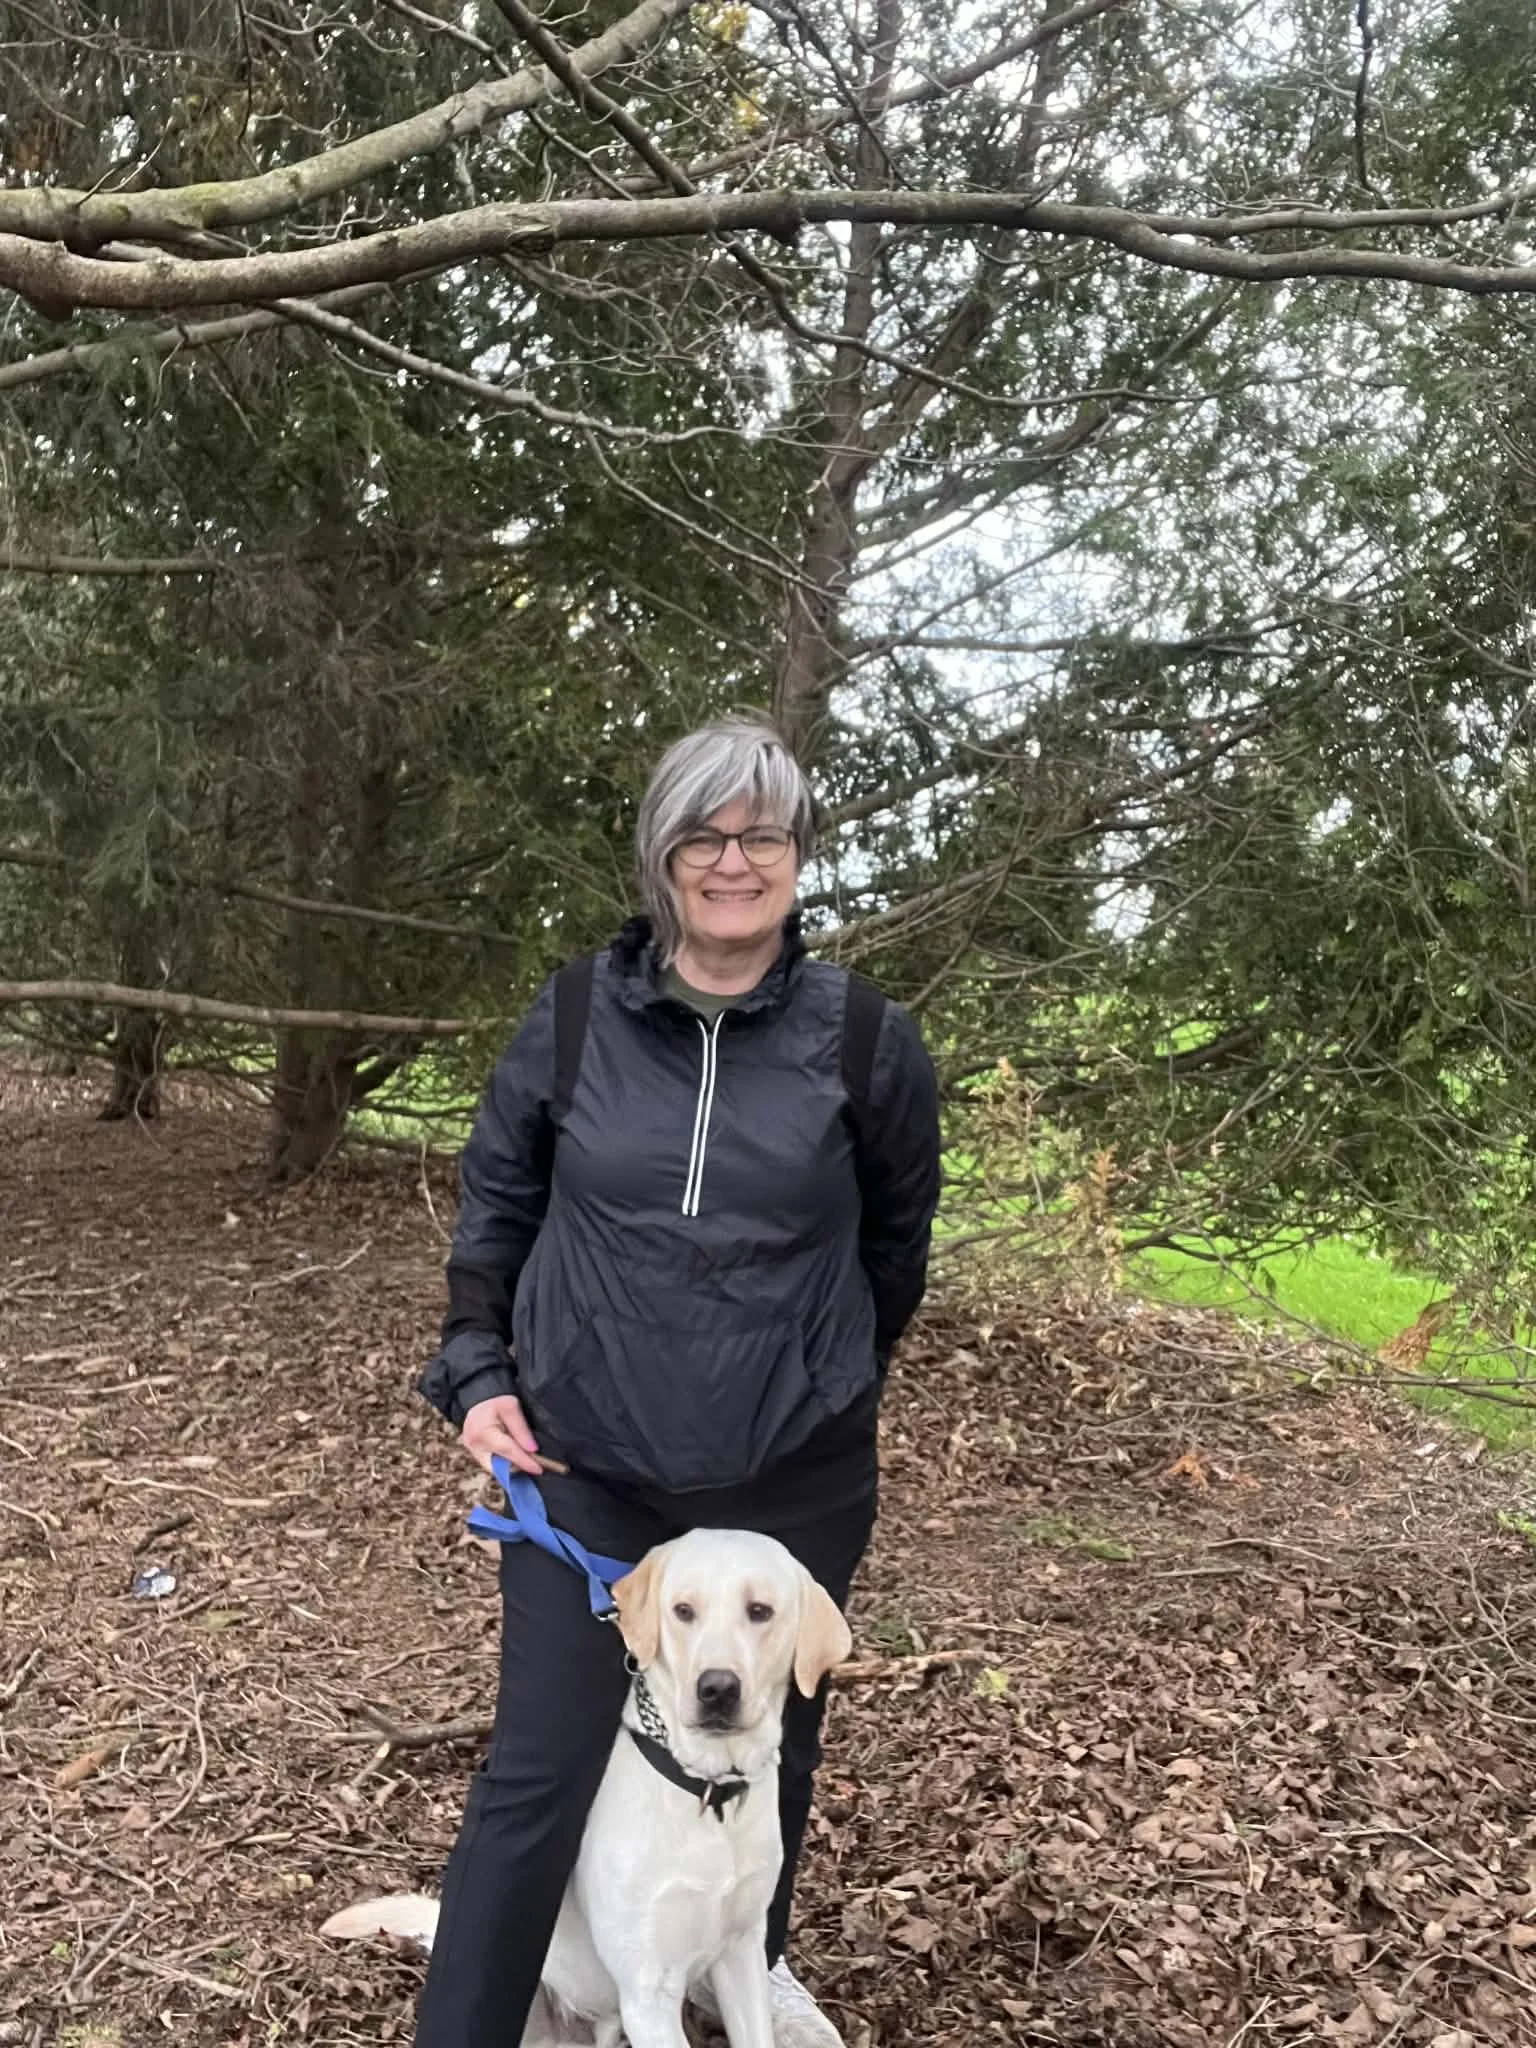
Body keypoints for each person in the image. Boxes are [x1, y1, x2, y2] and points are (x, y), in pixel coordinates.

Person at [415, 716, 941, 2048]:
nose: (732, 861)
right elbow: (498, 1202)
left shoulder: (864, 1038)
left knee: (771, 1738)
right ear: (662, 858)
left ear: (799, 857)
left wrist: (824, 1377)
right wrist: (478, 1369)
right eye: (703, 835)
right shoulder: (575, 1017)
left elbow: (895, 1245)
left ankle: (745, 1969)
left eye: (762, 834)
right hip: (586, 1462)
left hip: (791, 1475)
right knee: (541, 1765)